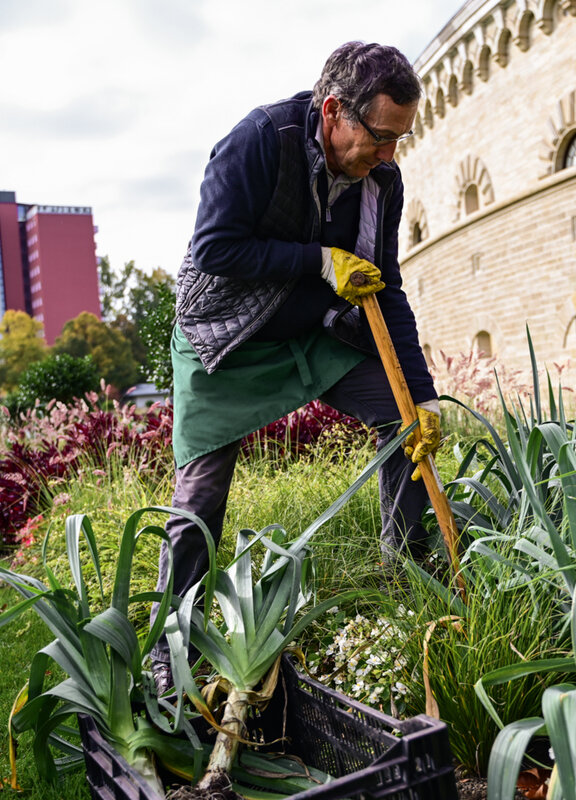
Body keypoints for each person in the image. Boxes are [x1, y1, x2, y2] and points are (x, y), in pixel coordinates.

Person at [151, 41, 442, 686]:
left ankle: (406, 580)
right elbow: (217, 249)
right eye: (381, 136)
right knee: (200, 496)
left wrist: (421, 396)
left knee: (404, 421)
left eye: (401, 139)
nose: (390, 155)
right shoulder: (259, 140)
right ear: (335, 111)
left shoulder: (380, 182)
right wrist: (317, 260)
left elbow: (385, 286)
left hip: (315, 330)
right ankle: (172, 653)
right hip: (226, 336)